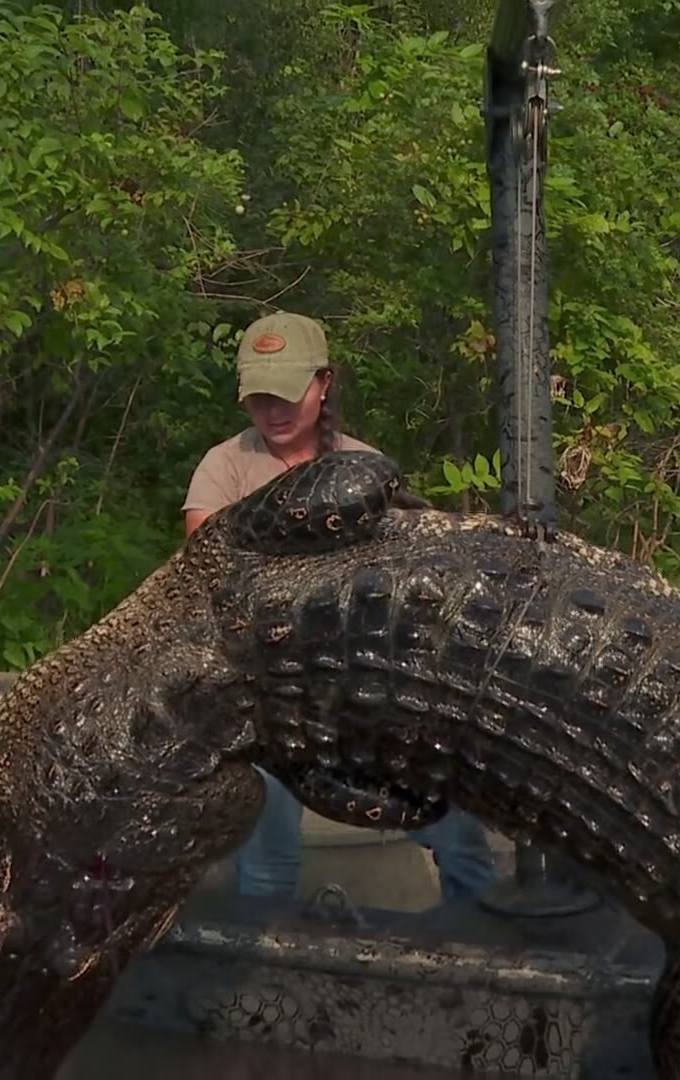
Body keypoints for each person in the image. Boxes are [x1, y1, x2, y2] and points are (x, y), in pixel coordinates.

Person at [183, 310, 499, 904]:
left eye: (287, 393)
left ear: (324, 383)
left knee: (458, 831)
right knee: (268, 850)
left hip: (359, 689)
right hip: (265, 696)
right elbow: (208, 573)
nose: (273, 410)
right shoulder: (225, 466)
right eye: (259, 396)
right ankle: (262, 958)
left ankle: (482, 942)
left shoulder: (362, 469)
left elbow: (404, 584)